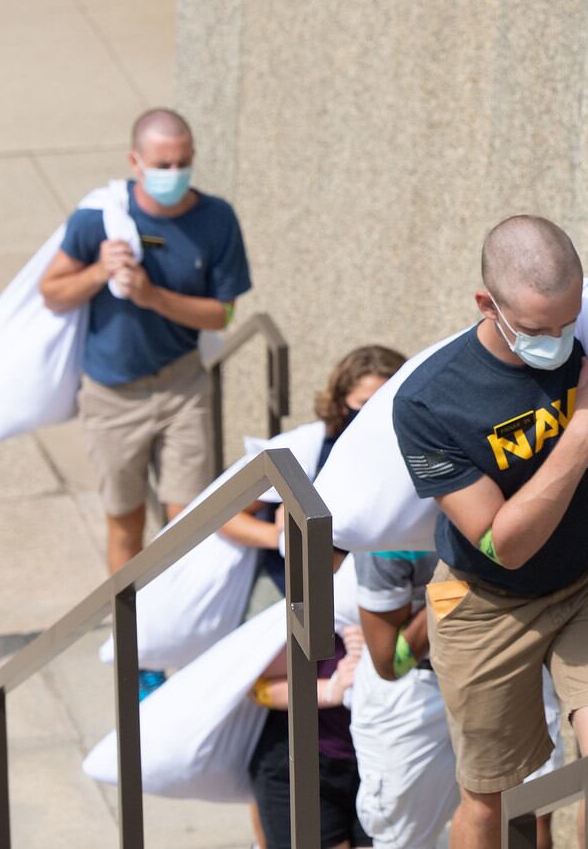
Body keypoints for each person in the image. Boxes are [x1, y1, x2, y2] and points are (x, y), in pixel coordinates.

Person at [393, 215, 588, 849]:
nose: (558, 339)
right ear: (485, 304)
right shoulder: (428, 403)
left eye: (567, 320)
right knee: (495, 802)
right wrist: (583, 431)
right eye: (535, 329)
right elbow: (505, 542)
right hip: (486, 603)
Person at [38, 108, 251, 578]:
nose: (172, 175)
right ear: (135, 162)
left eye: (181, 164)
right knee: (125, 518)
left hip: (182, 386)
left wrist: (151, 296)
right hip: (112, 396)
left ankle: (177, 623)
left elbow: (224, 313)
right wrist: (98, 271)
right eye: (161, 165)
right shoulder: (99, 219)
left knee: (188, 518)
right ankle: (130, 636)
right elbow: (52, 292)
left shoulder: (216, 220)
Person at [224, 346, 405, 592]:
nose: (374, 411)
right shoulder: (308, 448)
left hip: (379, 590)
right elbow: (227, 513)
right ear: (342, 403)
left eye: (384, 400)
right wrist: (283, 539)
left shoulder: (408, 451)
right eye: (365, 402)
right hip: (287, 588)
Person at [351, 544, 463, 849]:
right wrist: (465, 576)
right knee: (403, 840)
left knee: (513, 812)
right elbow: (391, 662)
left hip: (498, 671)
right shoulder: (385, 535)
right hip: (413, 697)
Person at [247, 622, 369, 849]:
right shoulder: (312, 609)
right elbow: (254, 684)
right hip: (302, 765)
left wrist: (386, 655)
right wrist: (333, 689)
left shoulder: (405, 598)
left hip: (374, 764)